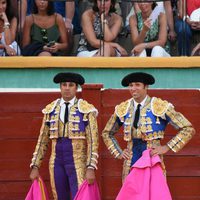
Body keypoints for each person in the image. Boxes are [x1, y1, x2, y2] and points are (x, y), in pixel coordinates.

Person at [102, 72, 195, 184]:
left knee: (153, 192)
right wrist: (118, 152)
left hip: (152, 156)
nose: (133, 88)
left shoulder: (159, 106)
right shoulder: (123, 108)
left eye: (137, 85)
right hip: (131, 158)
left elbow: (187, 128)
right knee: (131, 193)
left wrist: (167, 147)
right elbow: (107, 133)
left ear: (146, 87)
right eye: (131, 85)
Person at [29, 72, 99, 200]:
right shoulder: (50, 110)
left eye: (71, 85)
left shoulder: (87, 110)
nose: (67, 88)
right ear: (60, 87)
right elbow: (42, 140)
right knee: (59, 197)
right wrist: (35, 165)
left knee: (80, 196)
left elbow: (93, 142)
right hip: (56, 162)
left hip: (78, 161)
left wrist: (90, 167)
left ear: (76, 88)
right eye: (64, 85)